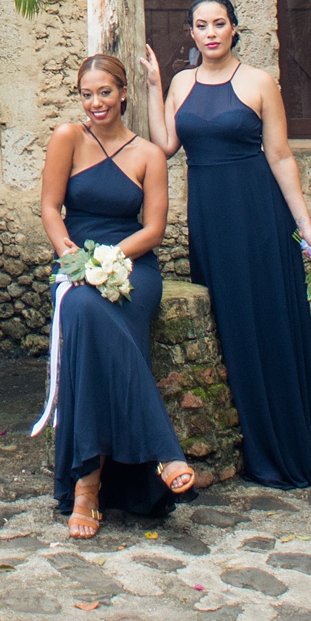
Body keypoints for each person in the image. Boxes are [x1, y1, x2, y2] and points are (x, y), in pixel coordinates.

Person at [145, 0, 311, 489]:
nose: (210, 33)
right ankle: (245, 440)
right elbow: (164, 147)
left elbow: (281, 157)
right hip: (210, 217)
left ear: (234, 29)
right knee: (229, 325)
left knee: (268, 322)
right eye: (201, 25)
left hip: (259, 213)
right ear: (190, 33)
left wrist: (306, 227)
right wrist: (152, 87)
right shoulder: (182, 84)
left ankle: (285, 446)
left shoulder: (258, 82)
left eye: (219, 24)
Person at [37, 53, 195, 534]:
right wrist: (72, 255)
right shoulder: (68, 138)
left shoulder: (148, 154)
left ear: (123, 93)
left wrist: (110, 259)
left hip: (134, 267)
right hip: (76, 264)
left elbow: (155, 228)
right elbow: (49, 207)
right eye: (86, 94)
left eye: (104, 92)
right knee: (83, 308)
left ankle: (87, 489)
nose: (95, 103)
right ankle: (160, 453)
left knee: (95, 318)